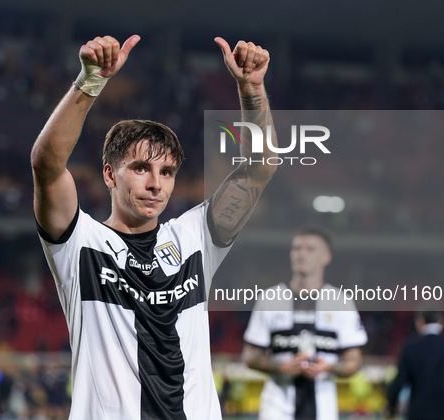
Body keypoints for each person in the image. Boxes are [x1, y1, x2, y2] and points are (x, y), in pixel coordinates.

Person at [30, 34, 276, 419]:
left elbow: (259, 168)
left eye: (167, 172)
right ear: (110, 175)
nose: (155, 183)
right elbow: (46, 165)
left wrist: (252, 88)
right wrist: (90, 81)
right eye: (141, 168)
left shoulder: (195, 238)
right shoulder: (82, 244)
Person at [243, 225, 368, 420]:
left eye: (310, 249)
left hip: (323, 410)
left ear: (326, 257)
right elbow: (250, 356)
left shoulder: (341, 302)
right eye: (296, 248)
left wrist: (327, 367)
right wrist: (282, 367)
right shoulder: (270, 299)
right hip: (276, 409)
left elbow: (355, 361)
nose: (301, 254)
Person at [386, 311, 444, 420]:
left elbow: (398, 383)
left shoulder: (411, 348)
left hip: (420, 414)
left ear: (420, 322)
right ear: (442, 321)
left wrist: (391, 409)